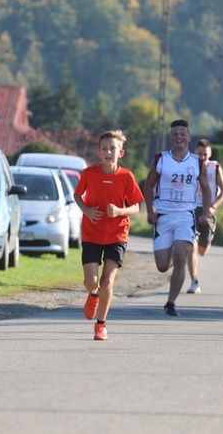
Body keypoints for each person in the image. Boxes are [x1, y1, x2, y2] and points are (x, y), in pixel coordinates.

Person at [74, 130, 144, 341]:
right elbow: (77, 195)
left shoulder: (126, 176)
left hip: (117, 234)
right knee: (91, 282)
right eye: (104, 148)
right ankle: (93, 294)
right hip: (92, 232)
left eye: (112, 148)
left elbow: (136, 207)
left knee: (107, 282)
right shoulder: (88, 174)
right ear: (98, 152)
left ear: (120, 152)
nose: (108, 152)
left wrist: (120, 211)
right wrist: (86, 210)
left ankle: (100, 325)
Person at [144, 120, 211, 317]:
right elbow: (148, 186)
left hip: (186, 216)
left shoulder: (197, 162)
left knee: (180, 256)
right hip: (163, 216)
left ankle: (171, 303)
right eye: (175, 134)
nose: (179, 137)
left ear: (189, 138)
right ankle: (173, 251)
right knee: (163, 266)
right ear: (170, 138)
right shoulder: (160, 160)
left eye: (183, 134)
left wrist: (205, 213)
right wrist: (150, 211)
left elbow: (206, 190)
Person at [186, 139, 223, 294]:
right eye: (200, 154)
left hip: (207, 209)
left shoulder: (215, 168)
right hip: (190, 208)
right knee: (192, 246)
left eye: (206, 154)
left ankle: (206, 241)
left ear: (210, 154)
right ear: (195, 153)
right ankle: (194, 281)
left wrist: (213, 207)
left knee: (202, 250)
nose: (203, 157)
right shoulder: (188, 165)